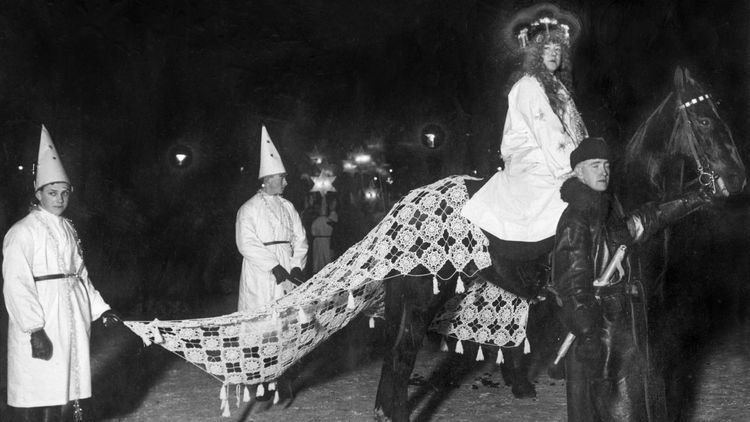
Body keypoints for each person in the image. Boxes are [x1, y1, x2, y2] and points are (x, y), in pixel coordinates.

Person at [551, 137, 712, 421]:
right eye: (594, 165)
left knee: (636, 402)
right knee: (613, 408)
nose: (603, 171)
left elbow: (649, 219)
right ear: (578, 172)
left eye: (606, 165)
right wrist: (587, 333)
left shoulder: (606, 210)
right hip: (599, 328)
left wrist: (696, 198)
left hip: (623, 322)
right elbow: (572, 282)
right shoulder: (576, 218)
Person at [3, 125, 121, 422]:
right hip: (44, 315)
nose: (59, 199)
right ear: (38, 193)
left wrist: (101, 309)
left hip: (71, 316)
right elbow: (16, 283)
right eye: (52, 193)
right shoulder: (22, 231)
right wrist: (34, 329)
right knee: (39, 386)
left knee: (64, 388)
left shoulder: (68, 228)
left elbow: (80, 274)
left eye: (64, 193)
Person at [462, 4, 587, 259]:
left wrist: (591, 157)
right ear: (535, 52)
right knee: (569, 201)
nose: (553, 54)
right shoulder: (528, 86)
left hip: (557, 160)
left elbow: (577, 131)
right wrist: (576, 169)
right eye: (546, 48)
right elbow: (550, 134)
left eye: (557, 49)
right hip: (536, 164)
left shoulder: (559, 89)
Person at [236, 125, 308, 312]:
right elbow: (246, 243)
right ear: (268, 179)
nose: (286, 182)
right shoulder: (249, 208)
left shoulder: (288, 206)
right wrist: (273, 266)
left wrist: (296, 266)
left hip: (287, 267)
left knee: (286, 316)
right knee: (261, 314)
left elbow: (300, 238)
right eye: (281, 178)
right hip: (260, 270)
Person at [310, 196, 338, 273]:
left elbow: (313, 232)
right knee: (327, 256)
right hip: (327, 241)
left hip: (318, 241)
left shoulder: (316, 221)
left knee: (318, 258)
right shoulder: (329, 220)